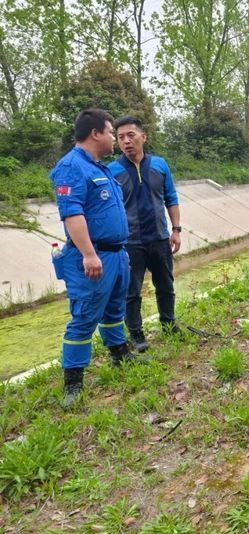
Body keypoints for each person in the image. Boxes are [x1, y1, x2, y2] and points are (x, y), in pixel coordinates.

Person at [49, 109, 136, 407]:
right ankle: (73, 381)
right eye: (111, 132)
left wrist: (120, 252)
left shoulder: (100, 168)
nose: (114, 138)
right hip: (92, 256)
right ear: (95, 133)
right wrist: (88, 254)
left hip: (115, 254)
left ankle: (119, 354)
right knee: (85, 316)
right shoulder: (71, 167)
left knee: (114, 309)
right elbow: (72, 214)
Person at [108, 116, 182, 352]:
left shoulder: (160, 165)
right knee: (131, 291)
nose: (126, 141)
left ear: (143, 136)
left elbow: (171, 197)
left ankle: (169, 324)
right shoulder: (112, 171)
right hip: (130, 243)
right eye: (121, 137)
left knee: (166, 285)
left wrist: (176, 229)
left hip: (160, 238)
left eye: (131, 135)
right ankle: (136, 334)